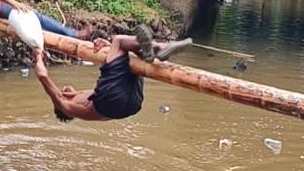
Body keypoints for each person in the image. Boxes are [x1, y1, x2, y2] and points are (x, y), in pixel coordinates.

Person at [31, 25, 191, 122]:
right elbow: (43, 75)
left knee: (130, 57)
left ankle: (150, 53)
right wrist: (38, 55)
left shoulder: (79, 98)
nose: (64, 88)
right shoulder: (67, 106)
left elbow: (111, 75)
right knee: (119, 41)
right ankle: (160, 48)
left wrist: (109, 50)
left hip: (131, 105)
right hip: (111, 101)